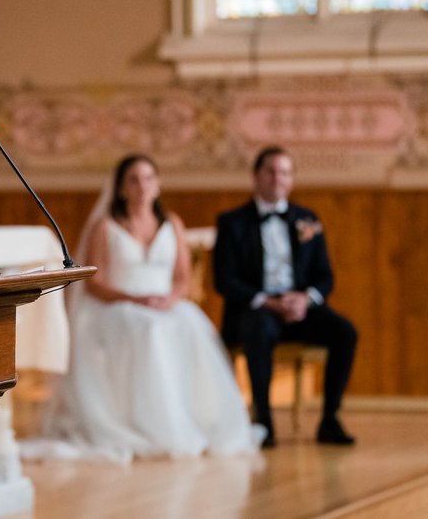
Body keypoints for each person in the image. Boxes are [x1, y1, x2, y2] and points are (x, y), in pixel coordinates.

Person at [31, 154, 259, 463]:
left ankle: (191, 418)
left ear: (158, 185)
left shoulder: (172, 224)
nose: (142, 186)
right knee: (150, 329)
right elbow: (94, 283)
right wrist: (134, 299)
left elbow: (183, 277)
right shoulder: (107, 226)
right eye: (134, 179)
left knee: (189, 323)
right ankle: (148, 425)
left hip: (164, 303)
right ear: (122, 188)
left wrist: (170, 299)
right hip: (117, 304)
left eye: (149, 178)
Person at [213, 146, 358, 448]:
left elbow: (325, 276)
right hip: (256, 308)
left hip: (300, 307)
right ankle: (263, 421)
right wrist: (268, 302)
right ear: (256, 176)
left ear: (291, 180)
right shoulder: (232, 222)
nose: (278, 178)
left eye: (285, 172)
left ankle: (330, 418)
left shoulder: (307, 219)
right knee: (260, 329)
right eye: (271, 171)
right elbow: (224, 280)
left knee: (345, 332)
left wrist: (306, 299)